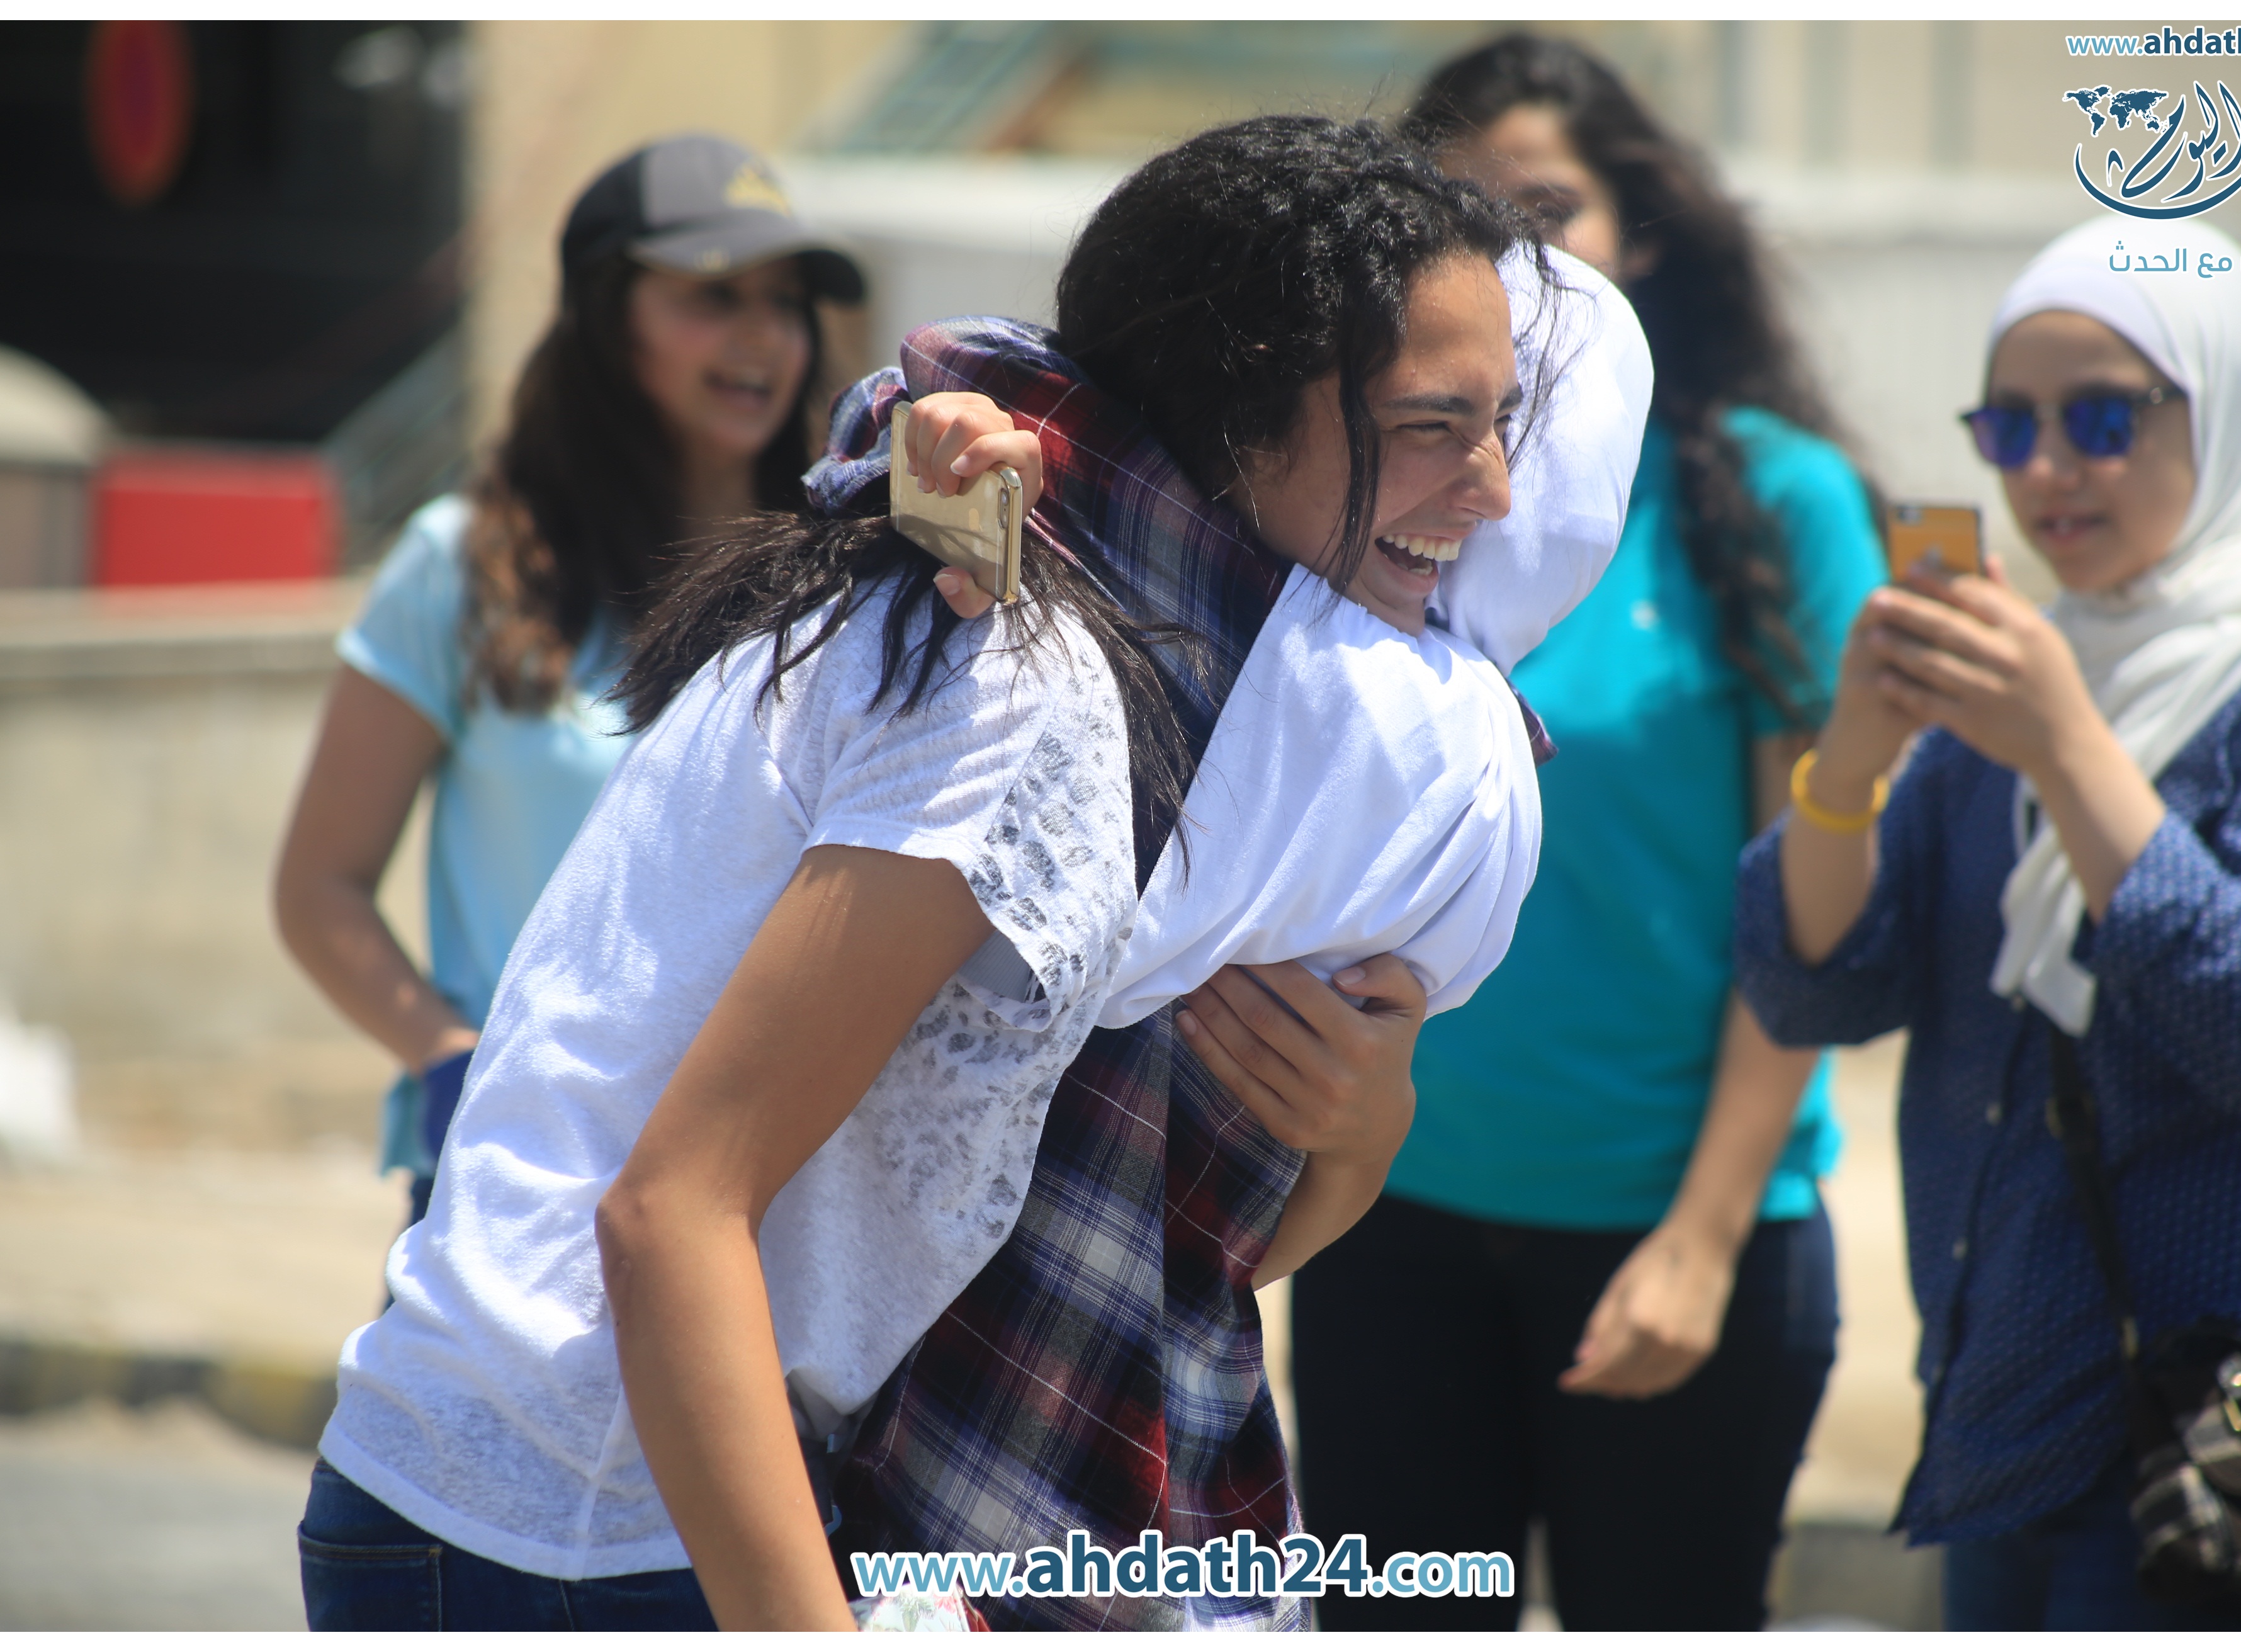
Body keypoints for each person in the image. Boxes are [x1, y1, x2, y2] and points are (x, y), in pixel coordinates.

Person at [300, 116, 1645, 1632]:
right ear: (1238, 412)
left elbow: (1185, 1247)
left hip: (614, 1496)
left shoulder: (1177, 719)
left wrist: (1361, 1121)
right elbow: (671, 1212)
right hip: (573, 1520)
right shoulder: (1018, 672)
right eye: (1429, 424)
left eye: (1502, 424)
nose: (1494, 492)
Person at [1282, 34, 1888, 1631]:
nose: (1508, 257)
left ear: (1645, 233)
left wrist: (1700, 1238)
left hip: (1671, 1240)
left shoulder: (1777, 501)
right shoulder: (1349, 489)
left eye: (1545, 211)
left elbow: (1809, 907)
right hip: (1382, 1221)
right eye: (1461, 216)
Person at [1734, 215, 2241, 1631]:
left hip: (2232, 1431)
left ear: (2225, 411)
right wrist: (1849, 760)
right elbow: (1814, 990)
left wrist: (2068, 747)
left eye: (2099, 419)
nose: (2042, 471)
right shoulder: (2021, 670)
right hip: (2003, 1417)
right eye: (2006, 426)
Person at [274, 133, 864, 1228]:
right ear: (604, 312)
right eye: (715, 294)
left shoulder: (843, 583)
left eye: (785, 301)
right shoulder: (461, 567)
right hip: (512, 1178)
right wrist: (447, 1056)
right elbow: (319, 887)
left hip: (761, 1193)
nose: (763, 335)